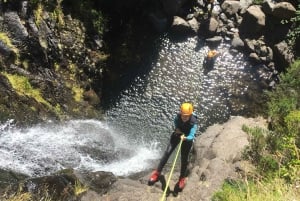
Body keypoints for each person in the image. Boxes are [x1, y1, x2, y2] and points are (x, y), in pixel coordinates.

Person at [148, 103, 198, 191]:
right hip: (177, 134)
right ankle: (157, 173)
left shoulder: (193, 123)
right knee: (167, 153)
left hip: (187, 139)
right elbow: (175, 122)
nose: (184, 117)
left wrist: (186, 138)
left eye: (186, 116)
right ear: (180, 113)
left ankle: (181, 178)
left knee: (184, 159)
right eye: (183, 115)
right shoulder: (178, 117)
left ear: (190, 115)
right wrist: (177, 129)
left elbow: (192, 135)